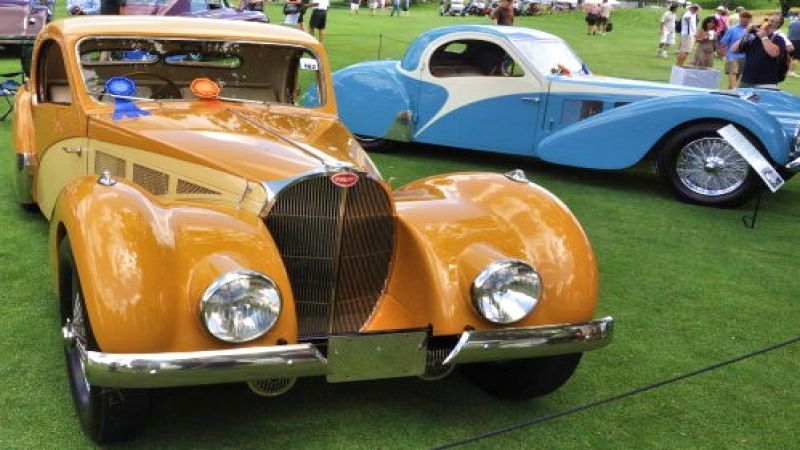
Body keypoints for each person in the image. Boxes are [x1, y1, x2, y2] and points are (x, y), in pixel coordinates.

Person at [732, 14, 788, 89]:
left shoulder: (778, 39)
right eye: (767, 20)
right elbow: (734, 49)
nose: (769, 22)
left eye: (773, 21)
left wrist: (764, 37)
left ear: (777, 25)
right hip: (747, 80)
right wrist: (747, 33)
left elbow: (774, 53)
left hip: (766, 82)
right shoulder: (753, 37)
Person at [718, 10, 751, 88]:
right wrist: (723, 54)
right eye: (743, 17)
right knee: (732, 73)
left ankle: (731, 94)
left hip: (745, 57)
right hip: (732, 56)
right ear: (740, 18)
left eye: (747, 18)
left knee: (737, 79)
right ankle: (734, 91)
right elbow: (723, 43)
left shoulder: (752, 30)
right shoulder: (732, 29)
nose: (745, 20)